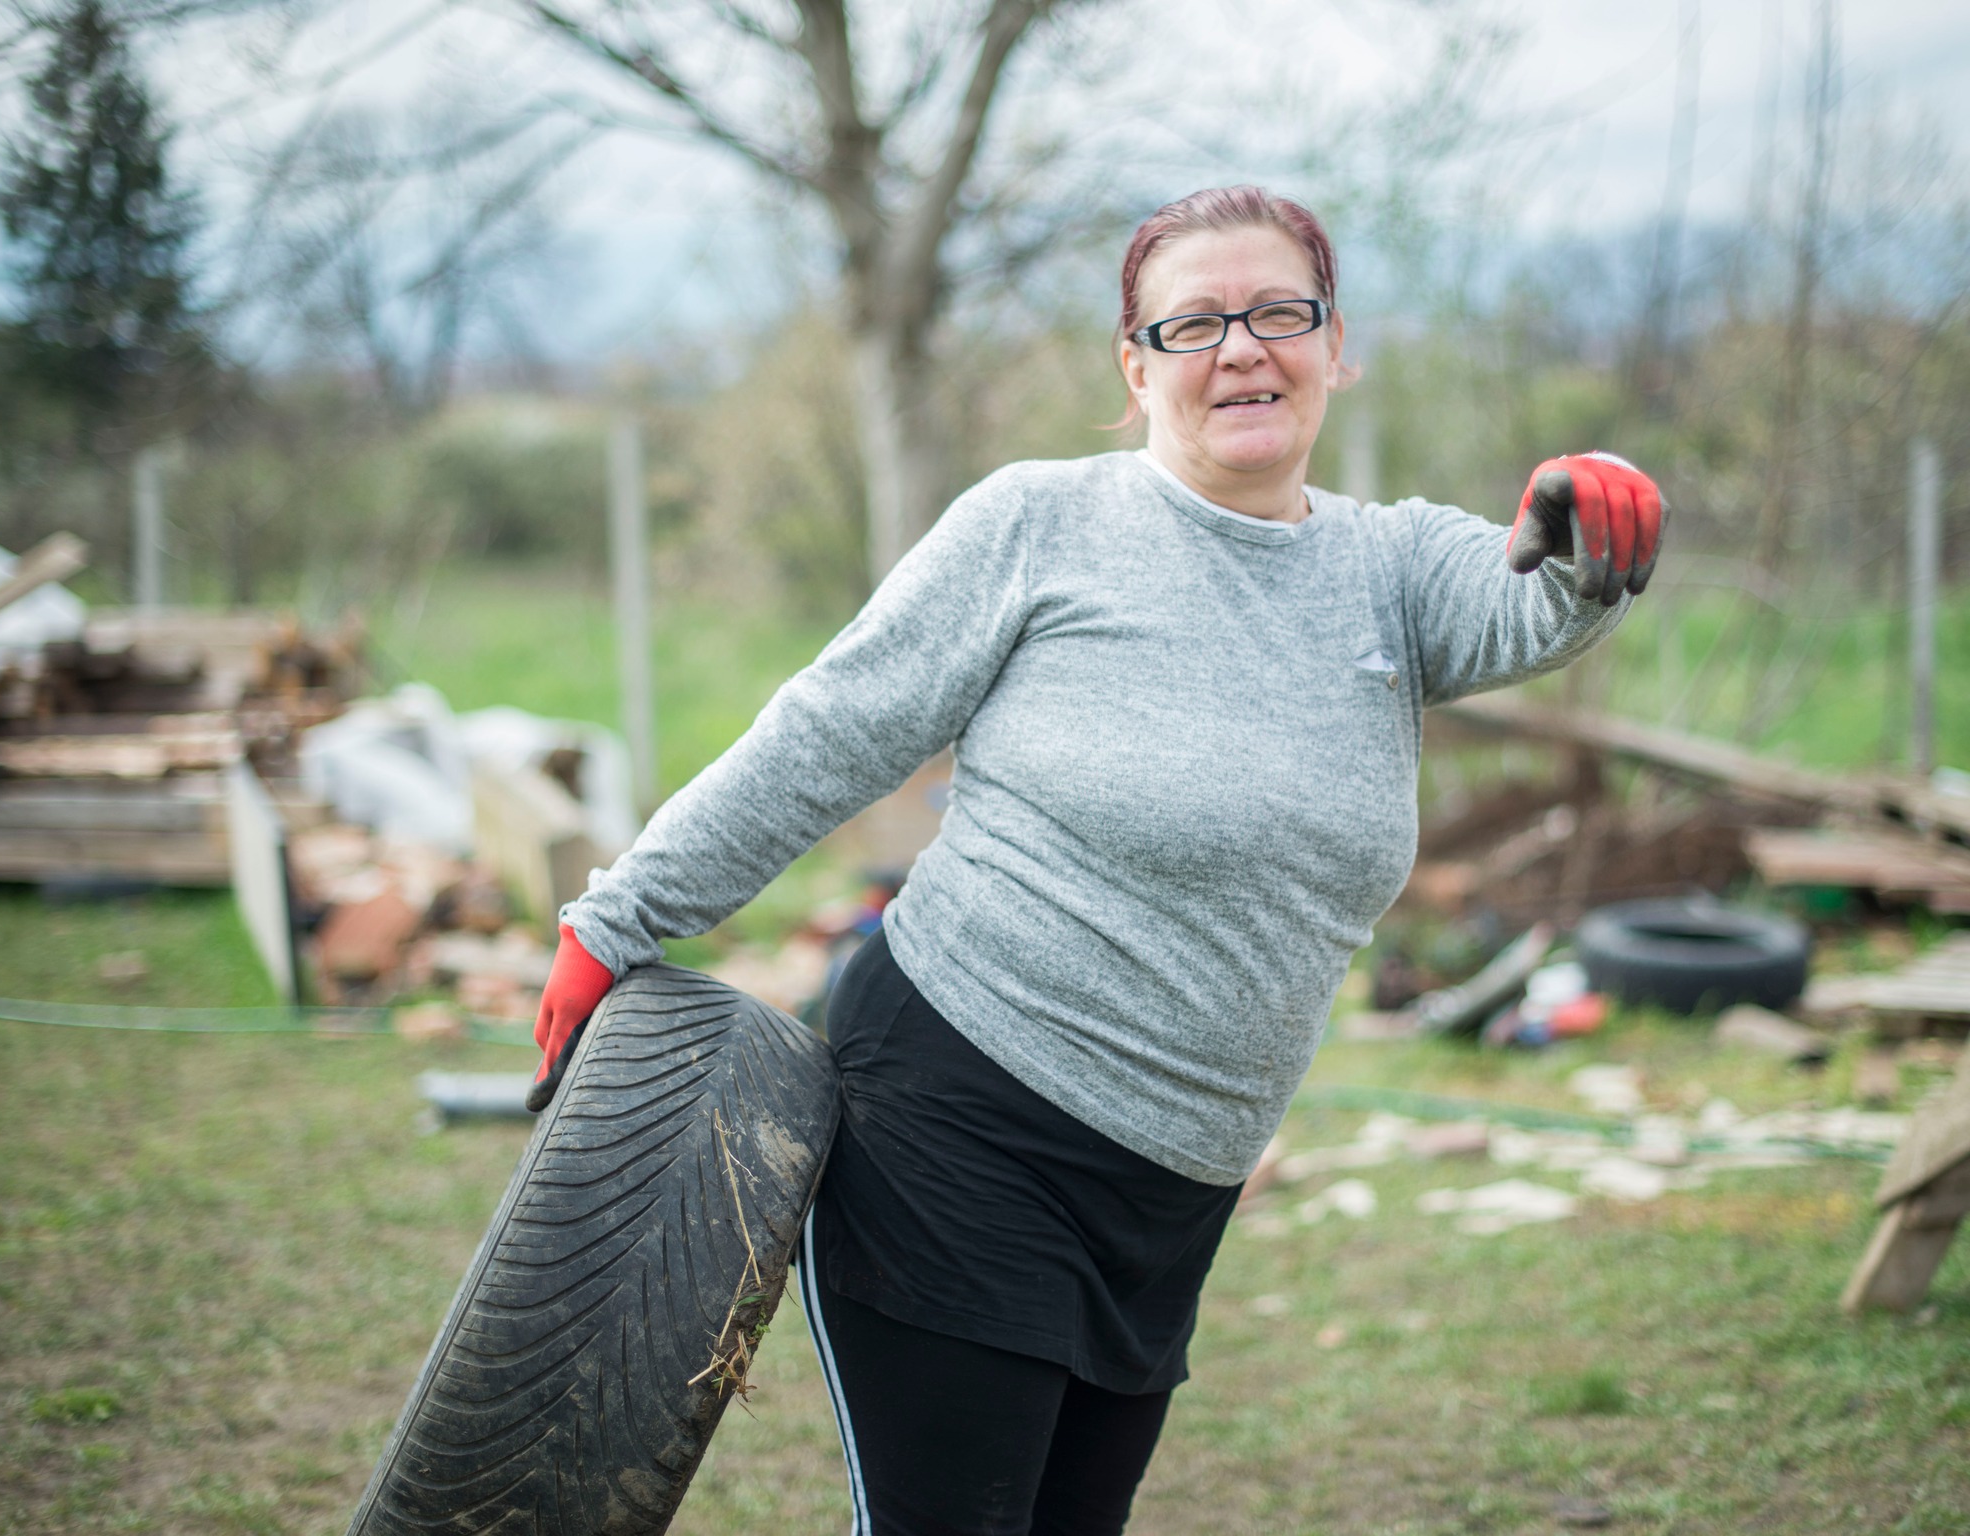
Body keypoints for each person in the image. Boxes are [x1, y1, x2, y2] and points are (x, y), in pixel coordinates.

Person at [527, 185, 1666, 1536]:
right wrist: (618, 920)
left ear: (1335, 344)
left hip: (1177, 1186)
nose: (1241, 349)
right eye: (1194, 324)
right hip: (957, 1118)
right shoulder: (1037, 524)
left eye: (1279, 313)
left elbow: (1534, 601)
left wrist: (1591, 524)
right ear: (1136, 368)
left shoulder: (1395, 565)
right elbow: (825, 736)